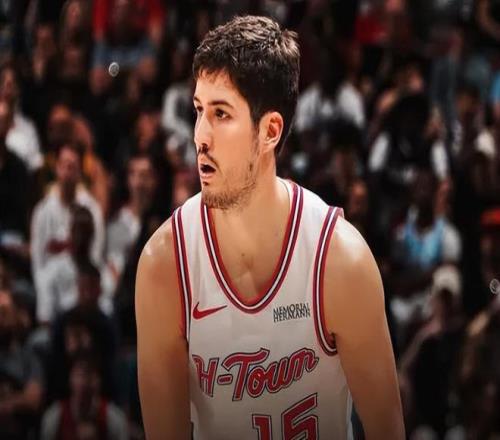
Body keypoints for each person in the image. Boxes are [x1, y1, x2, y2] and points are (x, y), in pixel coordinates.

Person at [136, 15, 404, 440]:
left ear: (270, 131)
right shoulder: (165, 265)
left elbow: (388, 432)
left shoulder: (339, 262)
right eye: (199, 110)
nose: (200, 136)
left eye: (221, 114)